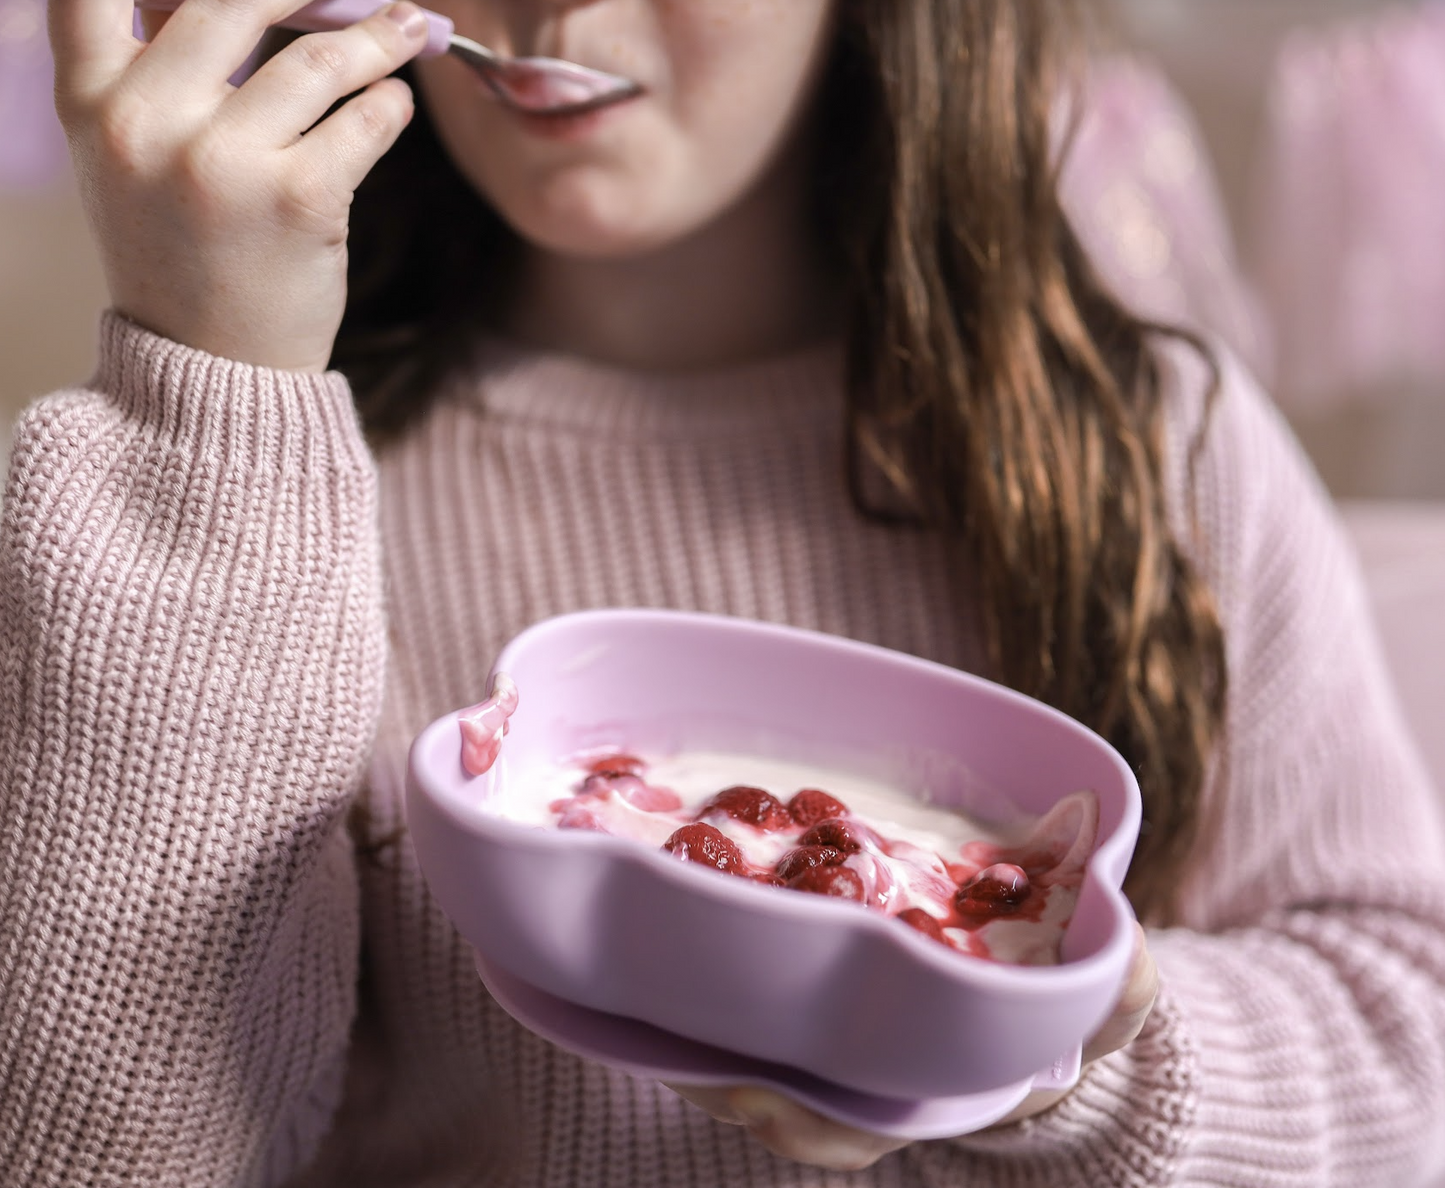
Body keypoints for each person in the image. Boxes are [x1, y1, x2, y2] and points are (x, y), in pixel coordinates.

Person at [3, 0, 1443, 1184]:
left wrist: (1051, 1070)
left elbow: (1408, 1043)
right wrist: (206, 399)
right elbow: (89, 1155)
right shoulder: (249, 487)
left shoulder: (1155, 440)